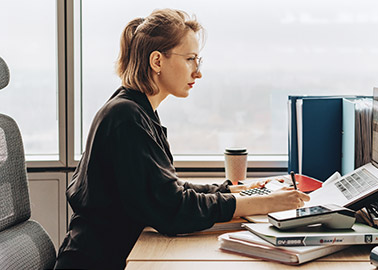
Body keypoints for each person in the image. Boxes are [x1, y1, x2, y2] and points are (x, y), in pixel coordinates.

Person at [54, 9, 310, 269]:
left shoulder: (136, 110)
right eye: (190, 59)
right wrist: (258, 203)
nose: (197, 73)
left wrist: (240, 190)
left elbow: (167, 191)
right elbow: (172, 209)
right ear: (157, 61)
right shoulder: (126, 117)